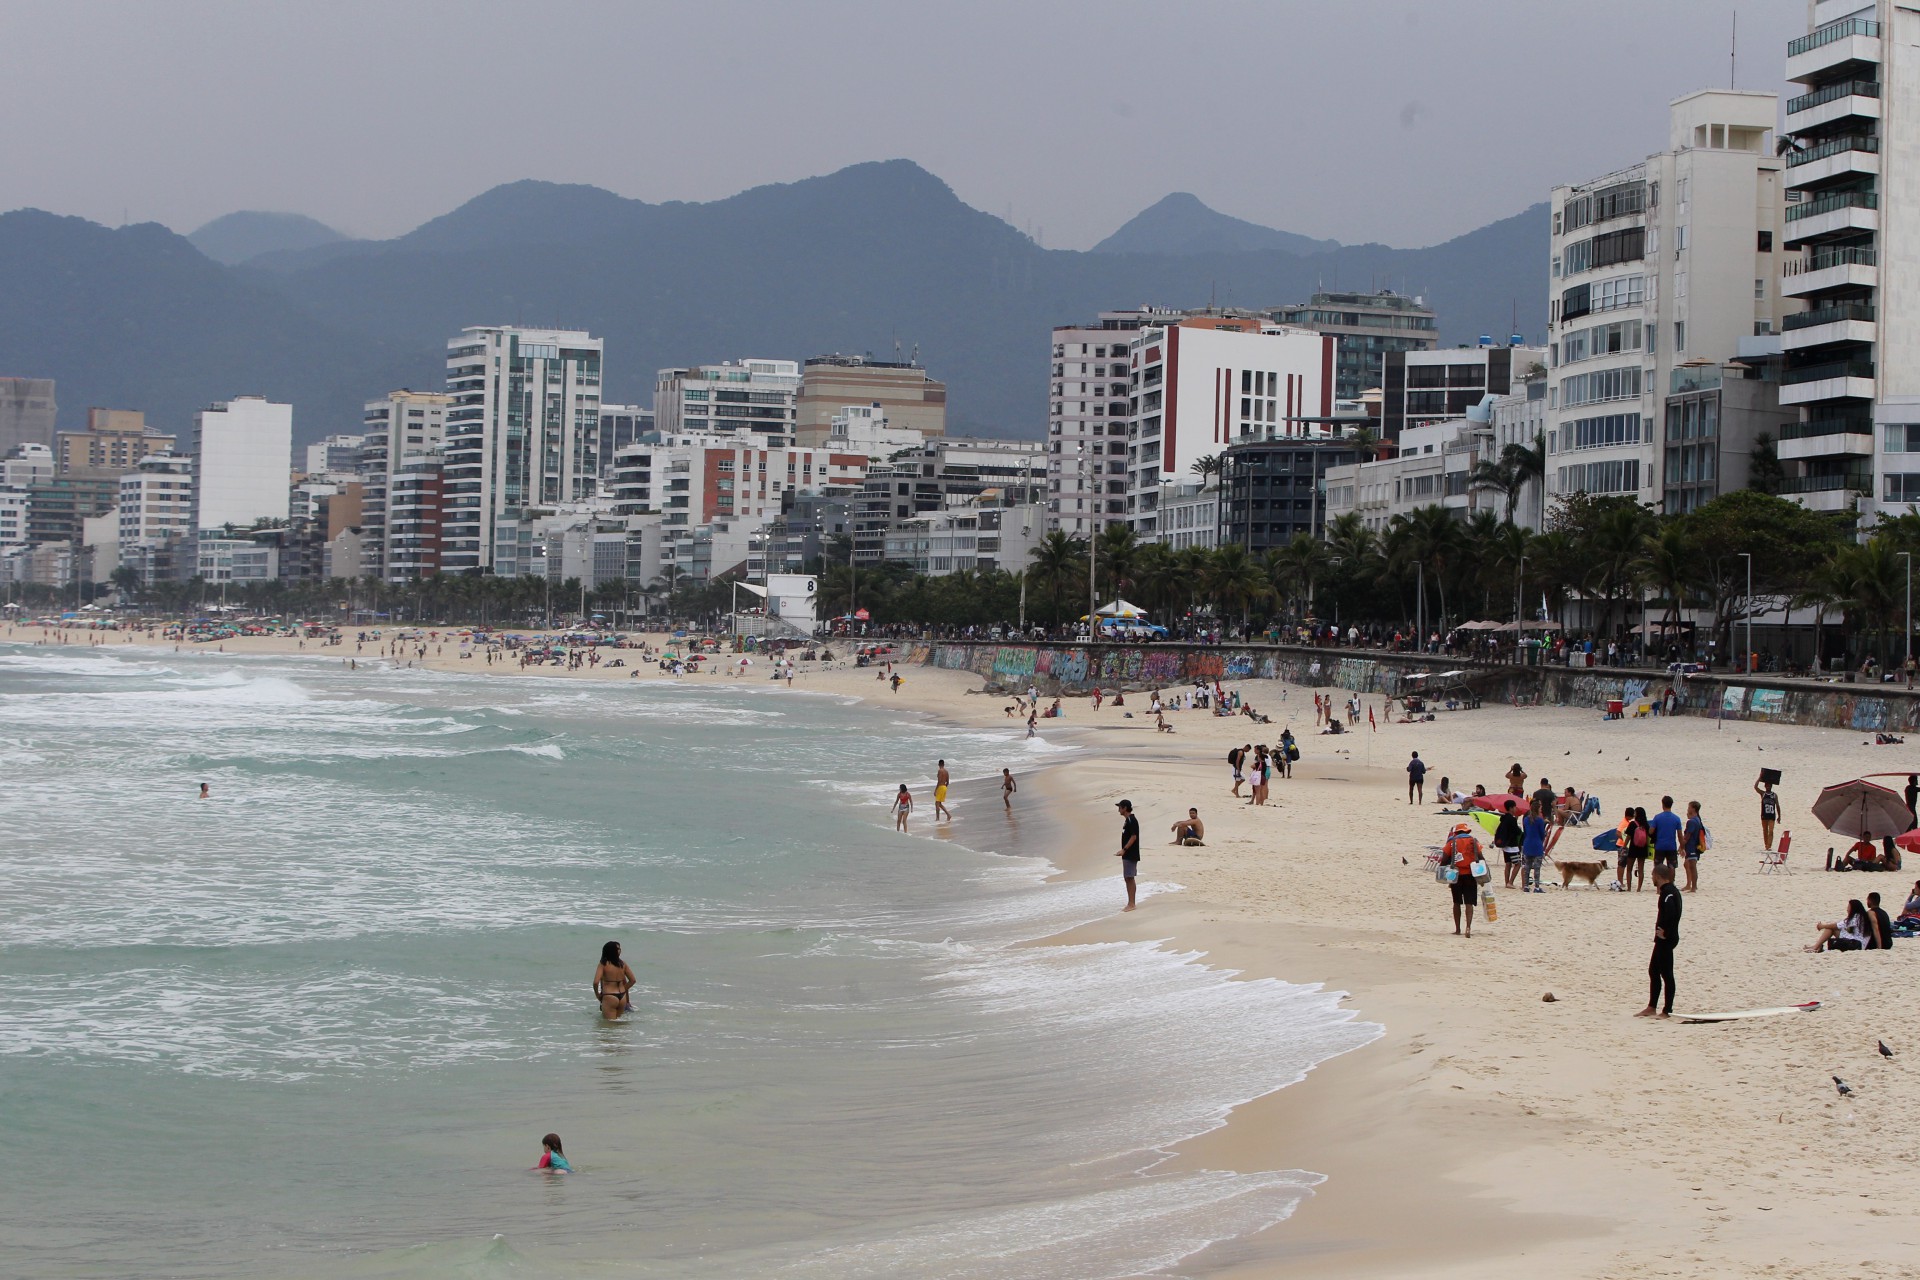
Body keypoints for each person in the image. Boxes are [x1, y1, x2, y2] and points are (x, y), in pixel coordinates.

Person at [1636, 863, 1683, 1019]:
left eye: (1652, 876)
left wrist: (1666, 932)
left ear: (1658, 876)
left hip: (1666, 939)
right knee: (1654, 971)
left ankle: (1667, 1010)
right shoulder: (1668, 891)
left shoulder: (1668, 893)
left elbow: (1673, 914)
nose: (1652, 879)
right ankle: (1651, 1007)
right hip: (1663, 938)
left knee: (1667, 974)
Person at [1441, 822, 1483, 938]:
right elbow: (1481, 857)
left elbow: (1444, 859)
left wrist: (1442, 870)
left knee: (1457, 902)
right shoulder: (1474, 841)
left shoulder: (1451, 842)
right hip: (1471, 875)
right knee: (1469, 902)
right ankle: (1468, 927)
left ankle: (1458, 929)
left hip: (1456, 875)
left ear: (1456, 832)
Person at [1805, 899, 1873, 952]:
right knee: (1832, 929)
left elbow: (1837, 925)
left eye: (1848, 907)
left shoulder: (1856, 917)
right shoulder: (1861, 917)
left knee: (1831, 928)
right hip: (1857, 942)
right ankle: (1817, 946)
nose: (1847, 909)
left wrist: (1822, 926)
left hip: (1856, 944)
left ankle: (1816, 946)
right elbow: (1851, 930)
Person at [593, 941, 636, 1020]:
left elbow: (596, 982)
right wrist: (623, 989)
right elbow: (632, 980)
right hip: (622, 997)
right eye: (618, 949)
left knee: (609, 1025)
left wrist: (597, 994)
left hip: (610, 996)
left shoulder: (603, 964)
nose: (620, 950)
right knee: (618, 1024)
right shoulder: (623, 964)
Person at [1115, 798, 1141, 911]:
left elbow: (1134, 837)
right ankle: (1130, 902)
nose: (1118, 810)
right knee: (1127, 877)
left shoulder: (1131, 820)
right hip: (1127, 854)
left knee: (1129, 877)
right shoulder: (1128, 820)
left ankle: (1132, 904)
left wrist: (1124, 850)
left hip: (1130, 853)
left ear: (1125, 808)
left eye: (1119, 807)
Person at [1494, 800, 1524, 889]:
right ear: (1511, 808)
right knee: (1518, 864)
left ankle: (1507, 882)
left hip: (1505, 845)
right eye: (1514, 807)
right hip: (1512, 845)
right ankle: (1510, 882)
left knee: (1508, 864)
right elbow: (1517, 831)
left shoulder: (1504, 818)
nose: (1515, 809)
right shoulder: (1511, 819)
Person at [1649, 796, 1684, 871]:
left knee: (1657, 868)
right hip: (1671, 846)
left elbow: (1651, 831)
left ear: (1663, 804)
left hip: (1659, 846)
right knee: (1672, 868)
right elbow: (1680, 836)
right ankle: (1671, 881)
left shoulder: (1657, 817)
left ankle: (1658, 882)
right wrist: (1682, 847)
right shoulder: (1676, 818)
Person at [1521, 803, 1549, 893]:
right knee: (1537, 868)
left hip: (1527, 843)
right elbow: (1541, 834)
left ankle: (1526, 886)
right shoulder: (1540, 820)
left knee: (1527, 867)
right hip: (1537, 844)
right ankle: (1536, 887)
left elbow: (1525, 832)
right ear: (1537, 809)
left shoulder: (1525, 819)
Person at [1681, 800, 1706, 892]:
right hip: (1693, 846)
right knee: (1687, 864)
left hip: (1692, 847)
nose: (1688, 809)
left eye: (1689, 807)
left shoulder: (1692, 822)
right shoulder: (1697, 820)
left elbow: (1687, 836)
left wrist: (1681, 846)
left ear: (1693, 809)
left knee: (1692, 866)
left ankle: (1693, 887)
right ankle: (1689, 884)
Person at [1755, 774, 1780, 852]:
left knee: (1771, 831)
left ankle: (1769, 846)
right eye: (1767, 785)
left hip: (1772, 815)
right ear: (1765, 786)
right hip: (1764, 815)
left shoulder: (1774, 795)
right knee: (1765, 830)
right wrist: (1759, 777)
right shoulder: (1763, 794)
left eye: (1769, 785)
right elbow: (1755, 787)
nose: (1768, 787)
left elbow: (1778, 806)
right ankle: (1766, 846)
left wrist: (1779, 816)